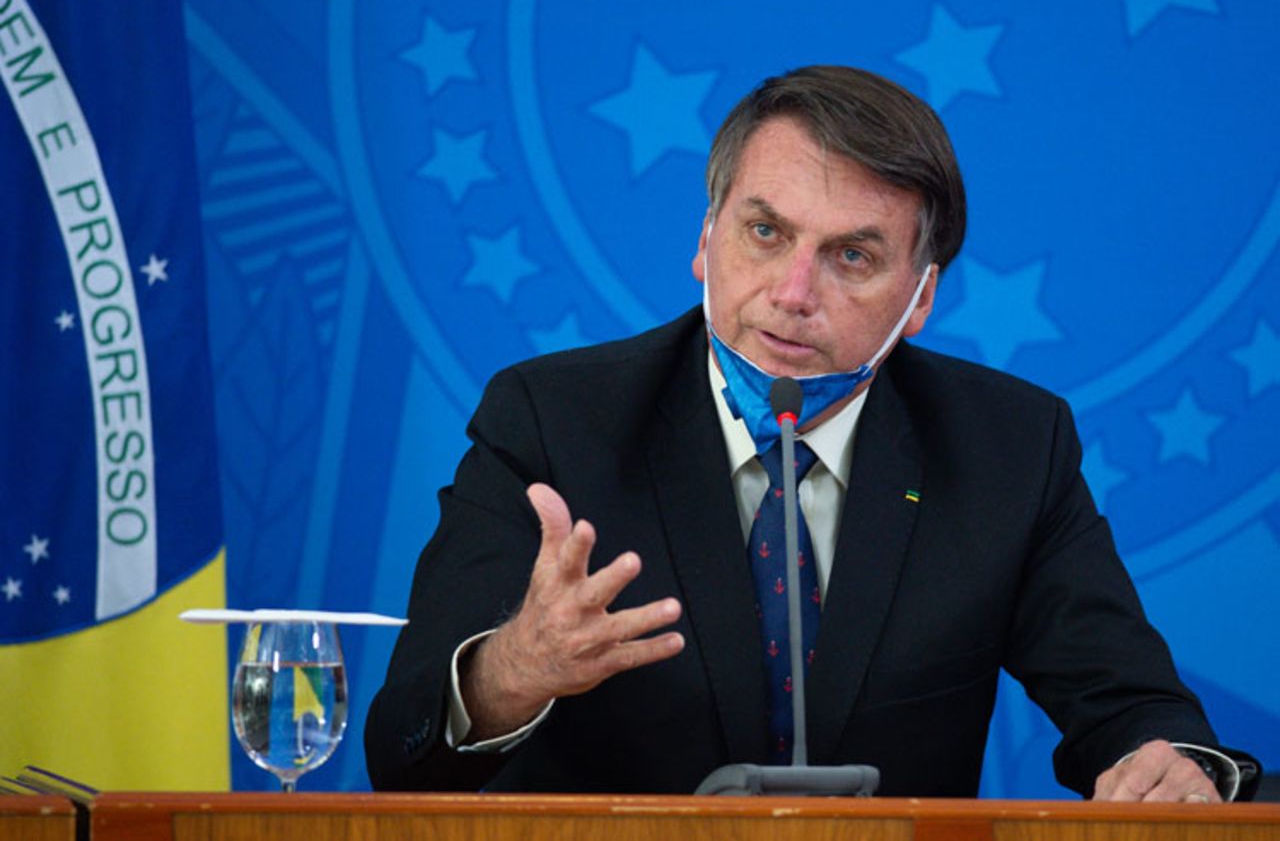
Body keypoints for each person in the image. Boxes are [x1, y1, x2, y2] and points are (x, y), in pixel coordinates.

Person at [365, 66, 1259, 800]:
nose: (794, 293)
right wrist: (514, 669)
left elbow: (1131, 709)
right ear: (706, 237)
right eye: (765, 232)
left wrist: (1174, 768)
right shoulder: (553, 421)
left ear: (922, 298)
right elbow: (403, 751)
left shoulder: (1011, 449)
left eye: (853, 257)